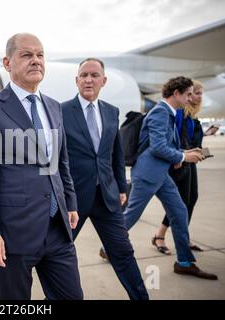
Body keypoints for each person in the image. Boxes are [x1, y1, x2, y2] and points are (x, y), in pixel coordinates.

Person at [0, 33, 83, 300]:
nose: (36, 61)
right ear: (7, 63)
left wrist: (71, 202)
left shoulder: (54, 107)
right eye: (27, 55)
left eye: (40, 55)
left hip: (57, 228)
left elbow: (59, 162)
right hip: (14, 234)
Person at [62, 58, 149, 300]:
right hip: (73, 201)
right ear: (76, 80)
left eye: (94, 75)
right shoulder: (60, 111)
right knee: (58, 255)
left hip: (107, 199)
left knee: (123, 252)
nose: (88, 79)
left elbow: (115, 153)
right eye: (84, 75)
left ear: (103, 80)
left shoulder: (111, 111)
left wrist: (122, 187)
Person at [123, 76, 217, 280]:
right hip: (148, 174)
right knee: (131, 215)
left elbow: (165, 144)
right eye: (188, 94)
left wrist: (185, 151)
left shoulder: (170, 113)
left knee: (180, 211)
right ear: (176, 94)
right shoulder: (160, 112)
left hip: (161, 174)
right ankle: (108, 246)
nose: (191, 98)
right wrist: (183, 156)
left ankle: (184, 262)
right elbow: (157, 146)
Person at [152, 80, 219, 254]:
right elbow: (174, 139)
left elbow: (188, 138)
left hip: (190, 161)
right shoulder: (179, 113)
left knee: (191, 199)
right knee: (180, 203)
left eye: (199, 93)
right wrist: (181, 155)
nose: (198, 96)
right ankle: (163, 237)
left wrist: (204, 135)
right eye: (196, 93)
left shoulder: (192, 115)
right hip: (179, 162)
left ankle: (181, 238)